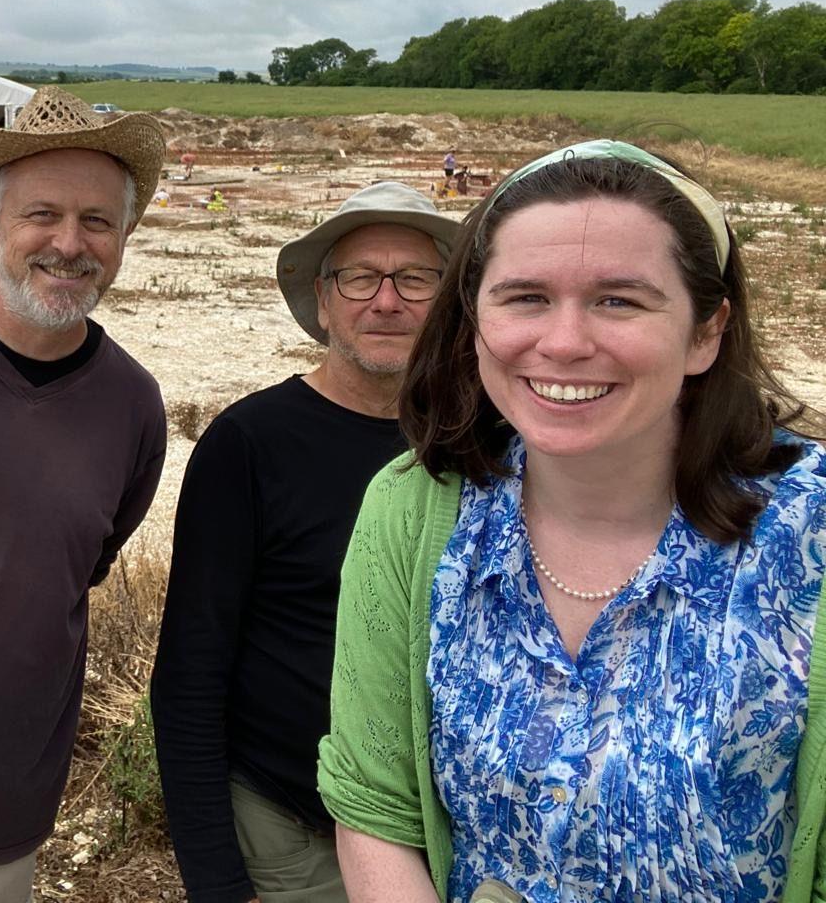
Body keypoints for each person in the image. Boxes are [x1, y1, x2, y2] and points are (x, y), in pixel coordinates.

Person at [319, 140, 826, 902]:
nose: (562, 342)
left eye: (618, 299)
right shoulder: (413, 509)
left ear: (705, 331)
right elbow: (376, 806)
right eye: (525, 296)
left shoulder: (808, 531)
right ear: (474, 319)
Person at [0, 86, 169, 901]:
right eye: (41, 214)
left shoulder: (132, 405)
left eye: (97, 221)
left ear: (125, 236)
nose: (69, 243)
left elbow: (75, 568)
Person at [152, 182, 458, 903]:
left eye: (415, 278)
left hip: (455, 836)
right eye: (360, 277)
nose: (386, 301)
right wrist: (218, 880)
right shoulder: (249, 443)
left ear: (450, 303)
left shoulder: (484, 440)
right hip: (293, 839)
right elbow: (192, 670)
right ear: (322, 302)